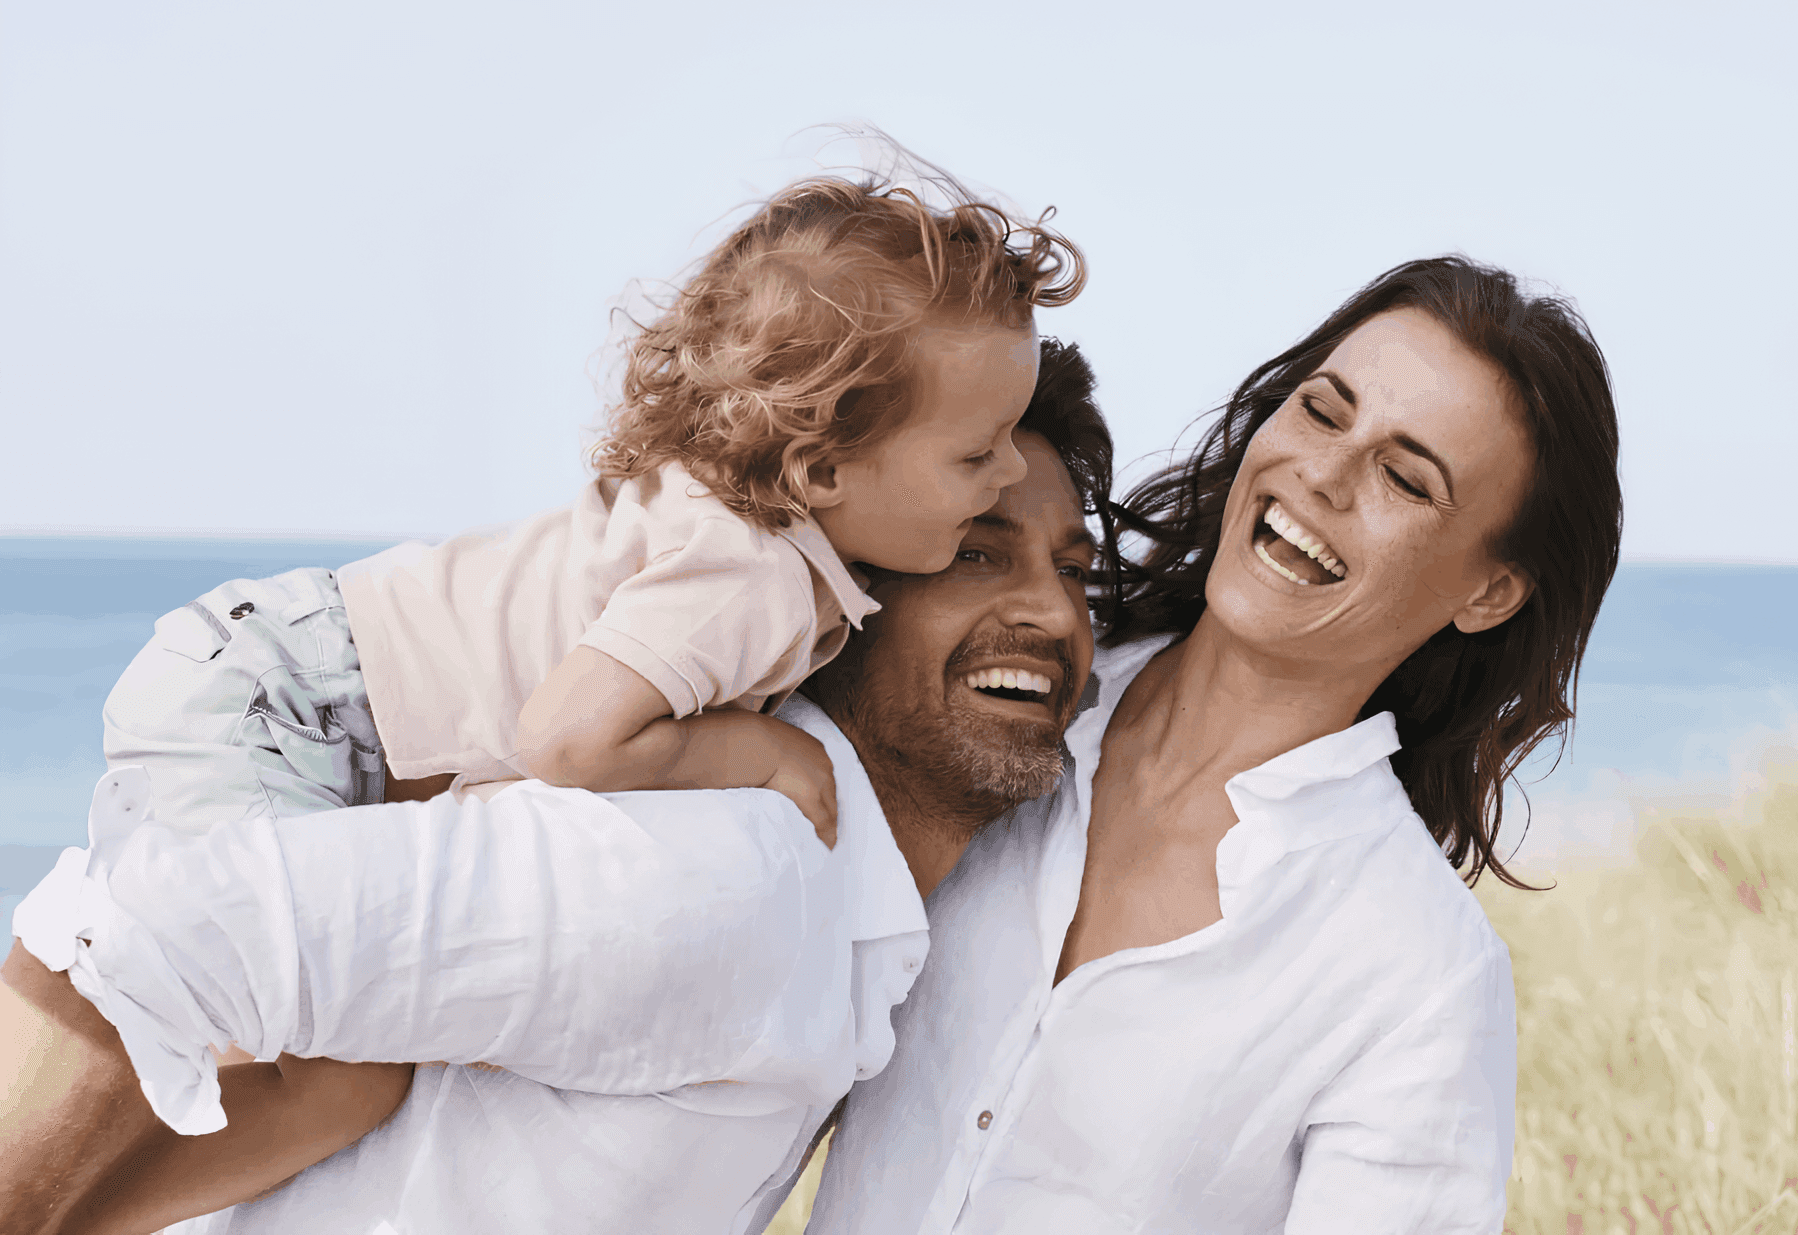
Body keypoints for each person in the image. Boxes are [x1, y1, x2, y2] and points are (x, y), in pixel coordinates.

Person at [1, 344, 1115, 1235]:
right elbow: (154, 925)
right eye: (978, 549)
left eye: (1075, 569)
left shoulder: (846, 917)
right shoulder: (719, 865)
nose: (1056, 614)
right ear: (850, 584)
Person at [801, 256, 1624, 1233]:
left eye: (1404, 478)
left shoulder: (1416, 974)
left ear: (1487, 592)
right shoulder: (996, 693)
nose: (1322, 474)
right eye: (1321, 411)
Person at [100, 147, 1083, 855]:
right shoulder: (749, 576)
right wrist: (767, 748)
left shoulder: (759, 530)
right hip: (293, 700)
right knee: (255, 989)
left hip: (284, 673)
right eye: (976, 453)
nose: (1007, 473)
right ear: (822, 474)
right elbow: (569, 737)